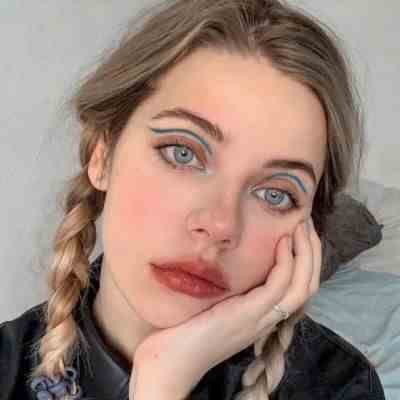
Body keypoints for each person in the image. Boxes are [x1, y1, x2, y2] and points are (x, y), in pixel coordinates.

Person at [0, 0, 386, 399]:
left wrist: (162, 382)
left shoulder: (342, 387)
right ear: (102, 154)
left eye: (275, 194)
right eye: (182, 153)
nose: (220, 225)